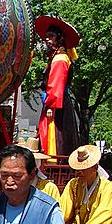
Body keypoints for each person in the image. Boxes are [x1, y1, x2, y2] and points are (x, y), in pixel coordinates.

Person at [34, 16, 81, 157]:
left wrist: (51, 106)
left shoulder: (60, 58)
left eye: (51, 36)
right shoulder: (57, 57)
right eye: (47, 36)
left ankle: (54, 161)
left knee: (55, 136)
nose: (47, 39)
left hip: (57, 105)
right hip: (58, 103)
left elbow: (56, 85)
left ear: (59, 38)